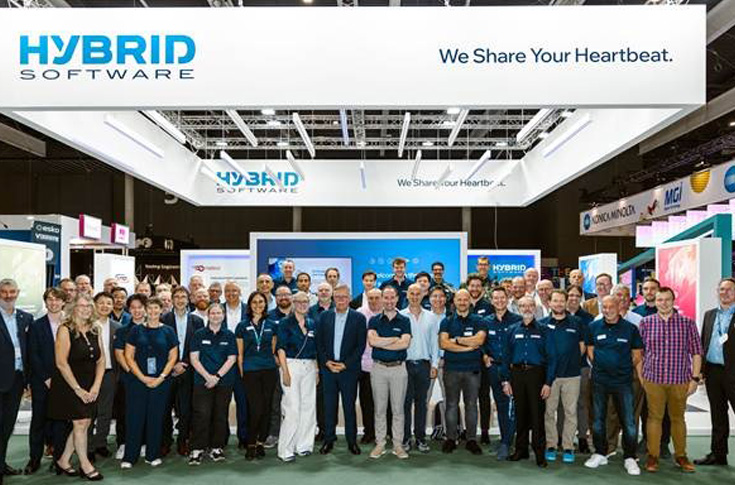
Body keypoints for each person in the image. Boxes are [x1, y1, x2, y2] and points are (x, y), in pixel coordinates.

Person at [639, 287, 701, 473]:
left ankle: (681, 456)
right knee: (654, 418)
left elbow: (697, 352)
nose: (663, 303)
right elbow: (639, 353)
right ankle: (653, 456)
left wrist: (695, 379)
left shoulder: (687, 323)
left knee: (678, 419)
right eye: (660, 300)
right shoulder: (646, 323)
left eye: (667, 299)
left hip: (679, 379)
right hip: (653, 379)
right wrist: (642, 378)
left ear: (673, 301)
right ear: (655, 302)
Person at [47, 294, 105, 481]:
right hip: (69, 384)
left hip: (89, 383)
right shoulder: (65, 329)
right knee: (80, 423)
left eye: (89, 305)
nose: (86, 309)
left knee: (85, 423)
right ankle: (85, 465)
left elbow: (101, 360)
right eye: (82, 305)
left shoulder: (96, 328)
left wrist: (96, 386)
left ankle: (63, 460)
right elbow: (61, 363)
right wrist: (78, 389)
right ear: (73, 308)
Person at [584, 295, 642, 476]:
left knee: (629, 421)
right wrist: (602, 366)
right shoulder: (593, 327)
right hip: (600, 380)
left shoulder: (630, 329)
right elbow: (590, 350)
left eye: (611, 307)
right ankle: (600, 453)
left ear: (619, 307)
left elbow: (637, 354)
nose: (607, 310)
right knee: (598, 420)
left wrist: (621, 368)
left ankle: (630, 457)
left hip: (623, 381)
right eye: (604, 307)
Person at [121, 297, 178, 468]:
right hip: (137, 382)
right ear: (145, 310)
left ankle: (152, 455)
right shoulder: (135, 330)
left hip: (161, 382)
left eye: (156, 308)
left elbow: (173, 357)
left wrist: (161, 377)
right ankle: (130, 457)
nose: (153, 311)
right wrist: (142, 377)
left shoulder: (168, 331)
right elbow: (128, 356)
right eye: (150, 308)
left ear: (161, 310)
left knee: (156, 418)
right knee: (134, 418)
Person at [502, 296, 554, 468]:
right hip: (517, 374)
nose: (526, 309)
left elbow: (552, 358)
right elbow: (506, 357)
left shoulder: (544, 330)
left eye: (530, 305)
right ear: (518, 308)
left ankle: (539, 453)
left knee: (537, 415)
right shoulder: (511, 330)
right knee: (520, 414)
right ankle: (521, 450)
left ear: (535, 308)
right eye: (523, 306)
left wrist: (548, 383)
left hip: (536, 375)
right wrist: (505, 381)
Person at [315, 284, 367, 456]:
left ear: (349, 298)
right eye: (338, 297)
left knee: (349, 406)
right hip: (328, 369)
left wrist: (346, 364)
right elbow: (319, 343)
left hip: (349, 370)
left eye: (344, 297)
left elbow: (360, 346)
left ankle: (352, 441)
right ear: (333, 298)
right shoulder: (324, 316)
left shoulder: (359, 318)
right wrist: (326, 362)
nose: (341, 300)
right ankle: (328, 440)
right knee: (329, 407)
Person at [188, 304, 237, 466]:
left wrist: (217, 377)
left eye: (219, 313)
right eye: (213, 313)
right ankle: (197, 448)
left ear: (223, 315)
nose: (216, 316)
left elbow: (232, 358)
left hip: (224, 382)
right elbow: (194, 358)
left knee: (220, 414)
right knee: (201, 414)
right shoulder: (198, 334)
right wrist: (208, 376)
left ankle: (217, 447)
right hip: (202, 381)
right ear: (208, 316)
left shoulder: (229, 335)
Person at [439, 289, 487, 456]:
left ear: (470, 301)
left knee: (471, 405)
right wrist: (468, 348)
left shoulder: (479, 320)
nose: (462, 302)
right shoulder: (447, 321)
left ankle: (471, 440)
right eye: (459, 299)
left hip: (473, 371)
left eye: (465, 299)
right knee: (451, 405)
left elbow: (479, 340)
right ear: (454, 302)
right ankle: (451, 439)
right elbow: (444, 344)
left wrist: (458, 340)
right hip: (451, 370)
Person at [367, 286, 412, 459]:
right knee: (379, 409)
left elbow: (404, 344)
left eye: (392, 297)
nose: (389, 301)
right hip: (378, 368)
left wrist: (382, 342)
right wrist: (394, 339)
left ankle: (398, 445)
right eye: (386, 298)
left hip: (398, 369)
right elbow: (372, 341)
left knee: (398, 409)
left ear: (397, 299)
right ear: (381, 299)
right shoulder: (374, 320)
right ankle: (380, 444)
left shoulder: (404, 320)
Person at [695, 278, 735, 467]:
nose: (724, 293)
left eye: (729, 289)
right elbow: (704, 341)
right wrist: (701, 370)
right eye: (721, 289)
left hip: (733, 372)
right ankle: (718, 454)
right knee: (718, 415)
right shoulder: (710, 315)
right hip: (713, 372)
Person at [26, 287, 66, 475]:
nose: (53, 302)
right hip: (41, 382)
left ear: (63, 302)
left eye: (57, 299)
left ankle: (59, 460)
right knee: (38, 422)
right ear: (45, 302)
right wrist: (46, 378)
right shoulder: (36, 325)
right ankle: (34, 459)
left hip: (65, 382)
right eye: (50, 299)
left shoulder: (70, 324)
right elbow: (33, 355)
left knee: (61, 423)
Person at [542, 290, 585, 464]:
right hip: (550, 377)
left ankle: (568, 446)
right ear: (549, 303)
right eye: (555, 301)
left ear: (566, 303)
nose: (559, 304)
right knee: (549, 412)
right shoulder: (542, 324)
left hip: (572, 375)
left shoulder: (577, 322)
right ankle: (551, 444)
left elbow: (582, 346)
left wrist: (572, 360)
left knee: (570, 412)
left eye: (562, 301)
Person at [162, 287, 205, 457]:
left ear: (188, 300)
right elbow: (161, 345)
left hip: (188, 370)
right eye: (177, 297)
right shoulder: (163, 319)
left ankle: (183, 441)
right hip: (168, 370)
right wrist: (173, 364)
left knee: (186, 409)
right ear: (172, 299)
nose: (180, 300)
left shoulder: (197, 321)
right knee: (165, 408)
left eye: (183, 297)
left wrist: (184, 363)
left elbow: (198, 346)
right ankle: (165, 441)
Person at [276, 292, 318, 461]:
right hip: (291, 365)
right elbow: (280, 348)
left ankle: (304, 445)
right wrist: (285, 371)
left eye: (305, 301)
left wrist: (317, 370)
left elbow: (315, 349)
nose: (302, 304)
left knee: (308, 406)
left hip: (309, 366)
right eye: (299, 301)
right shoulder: (285, 323)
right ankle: (286, 449)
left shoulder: (312, 323)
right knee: (292, 407)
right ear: (293, 303)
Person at [236, 292, 278, 461]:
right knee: (255, 408)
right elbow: (240, 353)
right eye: (254, 302)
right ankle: (251, 442)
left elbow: (273, 349)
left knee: (267, 407)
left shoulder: (272, 324)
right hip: (250, 371)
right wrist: (242, 372)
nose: (258, 305)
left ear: (265, 304)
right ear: (249, 304)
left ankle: (261, 442)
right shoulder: (242, 325)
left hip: (269, 370)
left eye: (261, 302)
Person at [481, 286, 522, 460]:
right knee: (500, 404)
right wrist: (484, 355)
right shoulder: (485, 321)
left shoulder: (517, 320)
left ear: (507, 299)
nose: (499, 301)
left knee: (511, 406)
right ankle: (505, 438)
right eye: (496, 298)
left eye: (502, 298)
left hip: (511, 369)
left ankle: (506, 442)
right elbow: (482, 342)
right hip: (493, 369)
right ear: (492, 301)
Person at [400, 284, 439, 453]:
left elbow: (434, 343)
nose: (415, 297)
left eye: (418, 294)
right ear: (407, 295)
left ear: (423, 295)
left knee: (421, 404)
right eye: (412, 293)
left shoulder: (431, 317)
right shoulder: (400, 315)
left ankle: (421, 438)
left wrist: (435, 364)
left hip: (424, 365)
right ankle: (406, 438)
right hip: (405, 365)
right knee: (405, 404)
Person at [0, 279, 32, 484]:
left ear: (17, 293)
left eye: (12, 291)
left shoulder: (25, 318)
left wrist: (29, 381)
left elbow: (29, 350)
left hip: (17, 380)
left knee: (7, 426)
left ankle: (1, 464)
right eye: (4, 292)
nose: (8, 295)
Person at [111, 294, 147, 461]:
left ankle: (144, 443)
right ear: (129, 309)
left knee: (146, 412)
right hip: (128, 379)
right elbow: (119, 355)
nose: (137, 311)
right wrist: (134, 374)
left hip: (149, 379)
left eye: (140, 307)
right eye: (133, 308)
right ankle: (123, 443)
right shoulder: (122, 330)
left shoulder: (153, 328)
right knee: (125, 412)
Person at [87, 292, 122, 462]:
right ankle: (87, 446)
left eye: (109, 303)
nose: (105, 306)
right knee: (89, 412)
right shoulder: (86, 325)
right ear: (95, 304)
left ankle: (100, 443)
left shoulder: (117, 327)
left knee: (105, 412)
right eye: (101, 302)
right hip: (89, 375)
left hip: (109, 374)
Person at [565, 284, 594, 454]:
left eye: (577, 296)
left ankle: (582, 437)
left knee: (582, 403)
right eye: (571, 295)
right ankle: (563, 437)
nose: (573, 298)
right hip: (561, 368)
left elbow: (588, 344)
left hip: (581, 366)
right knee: (563, 405)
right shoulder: (559, 315)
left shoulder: (588, 318)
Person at [264, 286, 293, 449]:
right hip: (275, 365)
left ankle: (294, 433)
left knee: (294, 401)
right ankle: (274, 433)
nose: (283, 297)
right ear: (275, 297)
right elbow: (267, 340)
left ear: (291, 296)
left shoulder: (300, 314)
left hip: (297, 364)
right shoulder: (269, 316)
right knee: (275, 401)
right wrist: (274, 357)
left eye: (286, 294)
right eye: (280, 295)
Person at [221, 281, 248, 447]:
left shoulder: (248, 310)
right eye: (228, 291)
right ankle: (221, 438)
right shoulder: (217, 310)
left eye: (234, 291)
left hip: (242, 364)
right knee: (221, 404)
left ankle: (243, 437)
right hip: (221, 364)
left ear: (240, 292)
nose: (231, 294)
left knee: (243, 402)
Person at [357, 288, 383, 444]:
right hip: (364, 366)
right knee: (367, 402)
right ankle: (369, 432)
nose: (373, 301)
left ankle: (385, 432)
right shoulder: (359, 314)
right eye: (370, 298)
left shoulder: (390, 313)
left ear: (382, 298)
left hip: (383, 364)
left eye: (376, 298)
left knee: (385, 402)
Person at [426, 286, 452, 441]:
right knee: (424, 399)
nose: (438, 299)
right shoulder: (424, 316)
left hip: (447, 362)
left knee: (448, 399)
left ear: (445, 298)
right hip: (428, 363)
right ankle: (420, 434)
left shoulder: (451, 316)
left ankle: (449, 434)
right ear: (429, 299)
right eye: (434, 296)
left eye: (441, 296)